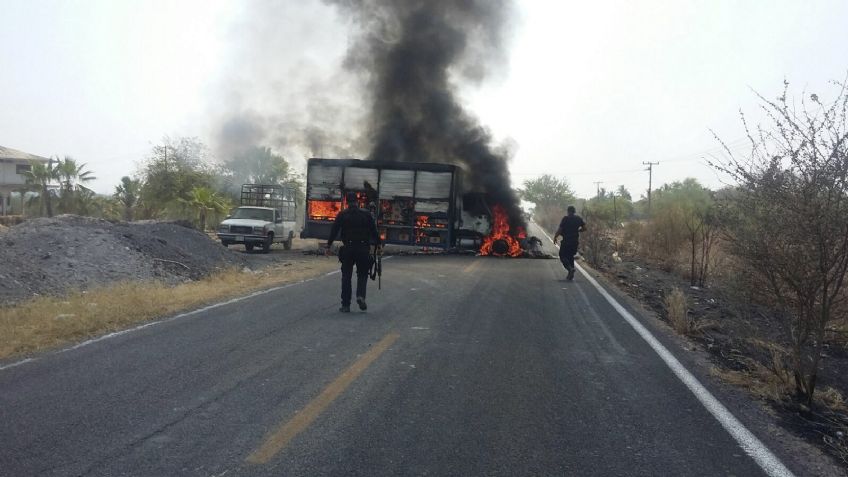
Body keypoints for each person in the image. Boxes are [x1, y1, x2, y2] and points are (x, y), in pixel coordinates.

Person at [328, 191, 381, 312]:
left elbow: (334, 230)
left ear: (346, 201)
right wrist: (379, 244)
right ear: (357, 201)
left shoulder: (342, 214)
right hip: (363, 248)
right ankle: (360, 296)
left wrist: (328, 245)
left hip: (348, 249)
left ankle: (346, 305)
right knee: (362, 274)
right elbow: (374, 231)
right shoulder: (366, 214)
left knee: (346, 276)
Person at [553, 205, 586, 280]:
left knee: (562, 255)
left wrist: (555, 237)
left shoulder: (566, 219)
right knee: (570, 256)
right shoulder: (578, 219)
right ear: (574, 211)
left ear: (568, 211)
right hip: (575, 242)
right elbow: (585, 228)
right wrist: (578, 230)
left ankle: (570, 269)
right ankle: (570, 274)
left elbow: (560, 229)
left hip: (566, 241)